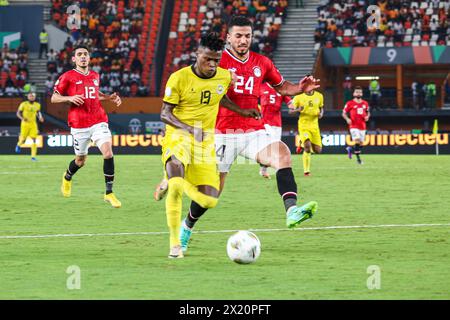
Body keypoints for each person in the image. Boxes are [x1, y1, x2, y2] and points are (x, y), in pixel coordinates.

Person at [177, 16, 320, 253]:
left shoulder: (261, 62)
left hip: (253, 131)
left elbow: (282, 86)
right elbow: (207, 92)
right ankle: (187, 226)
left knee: (282, 154)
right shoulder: (217, 61)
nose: (243, 40)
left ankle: (292, 210)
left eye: (247, 36)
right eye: (239, 35)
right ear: (229, 38)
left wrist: (299, 89)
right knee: (212, 193)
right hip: (221, 133)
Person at [160, 33, 260, 258]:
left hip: (205, 143)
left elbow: (219, 98)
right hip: (179, 136)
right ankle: (175, 245)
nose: (213, 65)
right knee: (177, 187)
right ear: (197, 54)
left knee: (208, 200)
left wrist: (243, 111)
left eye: (216, 60)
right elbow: (165, 113)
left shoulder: (223, 76)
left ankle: (172, 178)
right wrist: (188, 129)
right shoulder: (179, 78)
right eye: (208, 59)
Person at [51, 45, 123, 208]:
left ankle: (109, 193)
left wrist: (109, 97)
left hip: (98, 120)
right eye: (79, 54)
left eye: (85, 54)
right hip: (79, 123)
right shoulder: (67, 76)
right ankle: (67, 177)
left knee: (108, 152)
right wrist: (69, 98)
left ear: (89, 58)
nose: (83, 56)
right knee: (81, 160)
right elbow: (54, 98)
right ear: (74, 59)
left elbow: (95, 94)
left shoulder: (95, 75)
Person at [258, 81, 293, 179]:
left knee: (275, 147)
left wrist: (293, 107)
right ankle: (273, 168)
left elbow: (289, 102)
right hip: (264, 123)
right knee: (268, 146)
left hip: (277, 124)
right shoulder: (261, 86)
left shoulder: (280, 89)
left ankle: (264, 169)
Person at [289, 87, 324, 176]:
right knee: (308, 148)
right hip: (304, 125)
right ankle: (306, 171)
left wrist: (321, 114)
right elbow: (290, 111)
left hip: (315, 126)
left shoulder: (319, 96)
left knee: (318, 150)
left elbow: (321, 108)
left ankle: (301, 143)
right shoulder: (298, 97)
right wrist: (298, 110)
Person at [342, 86, 370, 165]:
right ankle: (358, 160)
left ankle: (350, 149)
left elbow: (368, 112)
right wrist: (347, 119)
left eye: (360, 92)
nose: (358, 93)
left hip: (362, 126)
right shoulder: (349, 103)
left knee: (361, 143)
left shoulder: (365, 103)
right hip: (353, 126)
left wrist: (367, 117)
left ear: (362, 93)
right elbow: (343, 113)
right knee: (357, 140)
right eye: (357, 92)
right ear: (354, 93)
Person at [15, 92, 44, 161]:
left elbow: (38, 112)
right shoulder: (24, 104)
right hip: (25, 124)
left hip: (33, 124)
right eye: (30, 96)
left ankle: (33, 157)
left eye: (33, 96)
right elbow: (18, 113)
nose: (31, 97)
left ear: (35, 97)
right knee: (23, 139)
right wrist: (22, 118)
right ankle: (18, 145)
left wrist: (40, 117)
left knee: (34, 140)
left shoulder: (37, 105)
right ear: (28, 97)